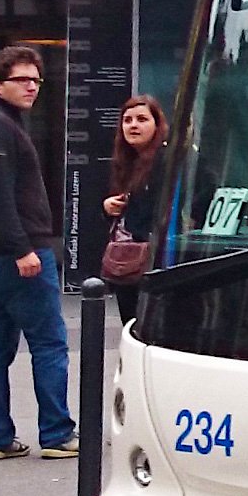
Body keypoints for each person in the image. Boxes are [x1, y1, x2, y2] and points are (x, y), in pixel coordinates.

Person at [0, 44, 74, 461]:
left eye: (36, 80)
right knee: (49, 342)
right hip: (16, 253)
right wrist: (23, 250)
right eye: (21, 80)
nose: (31, 86)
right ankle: (58, 434)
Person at [101, 94, 168, 324]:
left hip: (158, 259)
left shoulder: (168, 159)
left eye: (142, 119)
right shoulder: (125, 160)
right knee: (130, 324)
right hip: (129, 261)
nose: (134, 126)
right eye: (128, 120)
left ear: (157, 125)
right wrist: (108, 207)